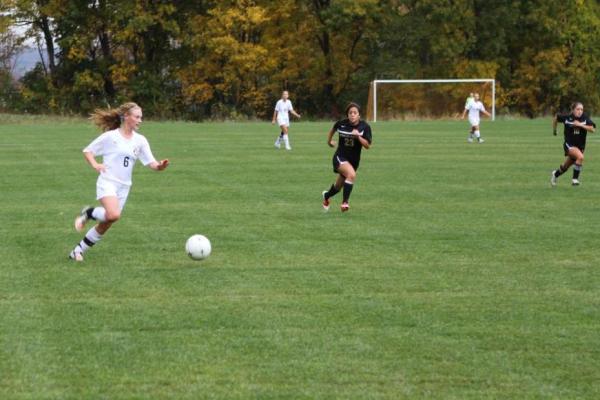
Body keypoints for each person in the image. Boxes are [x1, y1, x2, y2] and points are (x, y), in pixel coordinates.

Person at [69, 102, 169, 261]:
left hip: (124, 187)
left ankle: (78, 250)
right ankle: (89, 213)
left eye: (141, 117)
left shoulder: (140, 140)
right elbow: (88, 151)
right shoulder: (111, 137)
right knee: (114, 214)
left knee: (106, 223)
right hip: (107, 181)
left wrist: (160, 166)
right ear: (126, 117)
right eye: (137, 117)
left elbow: (152, 163)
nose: (140, 120)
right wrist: (95, 164)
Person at [321, 103, 372, 212]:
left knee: (338, 187)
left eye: (355, 113)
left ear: (359, 115)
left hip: (353, 161)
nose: (352, 115)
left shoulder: (364, 127)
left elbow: (367, 145)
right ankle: (345, 202)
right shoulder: (341, 124)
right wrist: (329, 141)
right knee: (352, 175)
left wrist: (358, 136)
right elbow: (333, 129)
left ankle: (326, 196)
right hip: (340, 157)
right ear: (347, 115)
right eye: (350, 113)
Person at [550, 102, 596, 186]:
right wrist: (555, 130)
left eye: (582, 109)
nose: (580, 111)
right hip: (569, 145)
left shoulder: (584, 118)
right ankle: (575, 180)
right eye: (578, 109)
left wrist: (580, 125)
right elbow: (556, 117)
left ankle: (555, 174)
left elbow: (592, 129)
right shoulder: (567, 118)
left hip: (580, 147)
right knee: (580, 157)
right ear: (573, 110)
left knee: (565, 167)